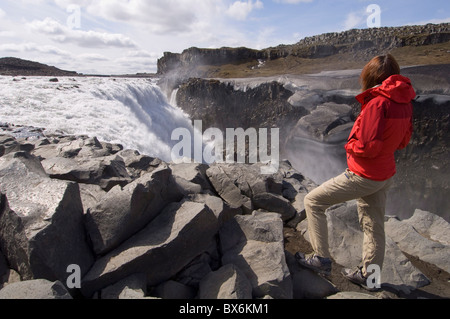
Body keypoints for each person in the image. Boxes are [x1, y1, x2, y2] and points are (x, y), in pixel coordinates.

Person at [295, 54, 416, 291]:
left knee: (312, 202)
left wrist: (349, 145)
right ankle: (370, 277)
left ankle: (320, 258)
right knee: (373, 226)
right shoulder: (404, 102)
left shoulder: (378, 103)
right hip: (385, 174)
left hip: (363, 175)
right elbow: (402, 142)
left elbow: (368, 146)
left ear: (371, 76)